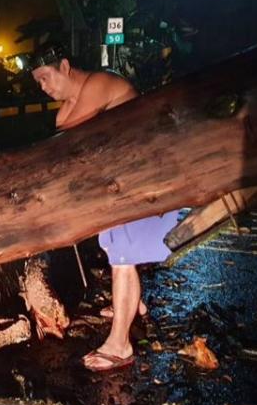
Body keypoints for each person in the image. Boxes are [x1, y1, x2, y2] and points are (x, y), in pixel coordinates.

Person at [28, 43, 180, 372]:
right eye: (38, 82)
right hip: (115, 188)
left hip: (145, 182)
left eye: (45, 77)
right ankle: (130, 303)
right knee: (114, 249)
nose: (43, 87)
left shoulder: (99, 84)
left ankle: (120, 344)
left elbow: (69, 139)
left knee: (122, 260)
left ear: (64, 66)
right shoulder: (64, 110)